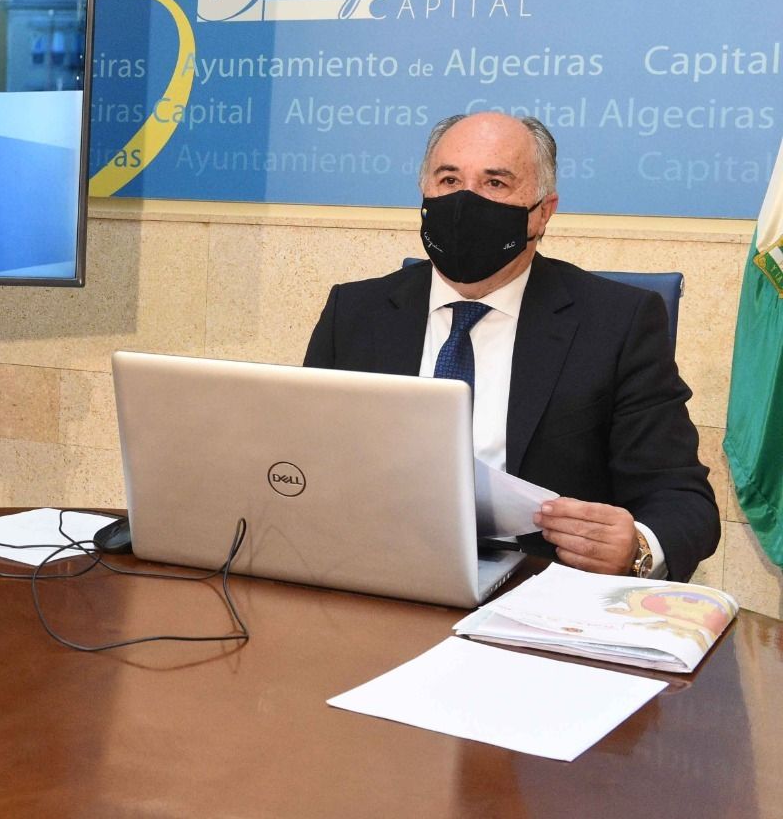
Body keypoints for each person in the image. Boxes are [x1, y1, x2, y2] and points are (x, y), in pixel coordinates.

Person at [304, 112, 719, 582]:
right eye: (449, 180)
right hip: (375, 574)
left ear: (543, 211)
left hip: (540, 589)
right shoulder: (354, 313)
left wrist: (637, 547)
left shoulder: (618, 323)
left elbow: (682, 500)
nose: (465, 201)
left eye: (496, 183)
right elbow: (304, 462)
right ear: (423, 193)